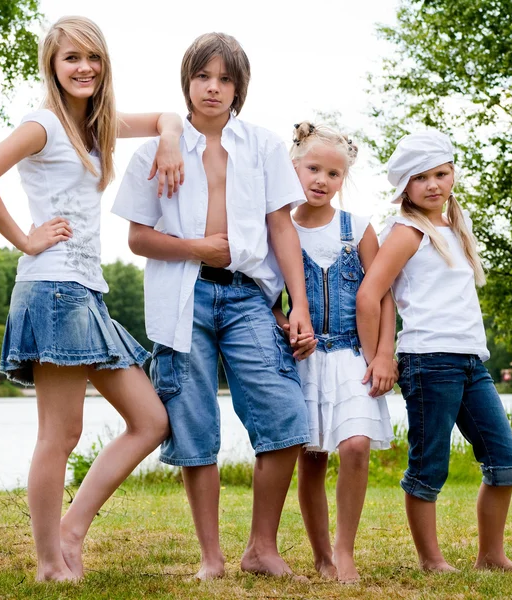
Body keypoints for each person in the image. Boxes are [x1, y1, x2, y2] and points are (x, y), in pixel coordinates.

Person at [0, 16, 185, 582]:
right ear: (53, 68)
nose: (84, 68)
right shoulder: (43, 125)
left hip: (87, 292)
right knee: (59, 435)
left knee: (150, 419)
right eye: (71, 59)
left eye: (94, 58)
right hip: (53, 286)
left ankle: (71, 532)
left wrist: (172, 143)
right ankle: (47, 564)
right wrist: (25, 238)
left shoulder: (95, 130)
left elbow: (167, 116)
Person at [112, 32, 315, 580]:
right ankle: (211, 558)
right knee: (194, 424)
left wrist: (297, 304)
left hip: (250, 295)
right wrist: (195, 247)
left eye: (225, 79)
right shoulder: (156, 149)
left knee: (287, 417)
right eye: (204, 76)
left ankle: (261, 548)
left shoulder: (265, 146)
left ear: (239, 87)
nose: (214, 87)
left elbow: (281, 228)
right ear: (188, 81)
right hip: (185, 295)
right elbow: (136, 237)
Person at [356, 130, 512, 572]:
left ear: (453, 175)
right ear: (404, 189)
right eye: (421, 178)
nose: (433, 184)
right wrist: (380, 355)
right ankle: (432, 561)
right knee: (429, 467)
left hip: (471, 360)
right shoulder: (408, 231)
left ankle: (491, 556)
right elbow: (370, 294)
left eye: (441, 174)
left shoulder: (456, 227)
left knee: (504, 461)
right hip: (429, 361)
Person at [272, 122, 395, 582]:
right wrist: (286, 329)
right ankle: (321, 555)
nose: (322, 180)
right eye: (313, 169)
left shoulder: (357, 229)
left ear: (344, 179)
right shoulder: (279, 229)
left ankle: (345, 550)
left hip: (350, 357)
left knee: (356, 446)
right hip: (303, 362)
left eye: (334, 174)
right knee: (311, 458)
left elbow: (382, 296)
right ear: (294, 167)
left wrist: (384, 353)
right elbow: (267, 299)